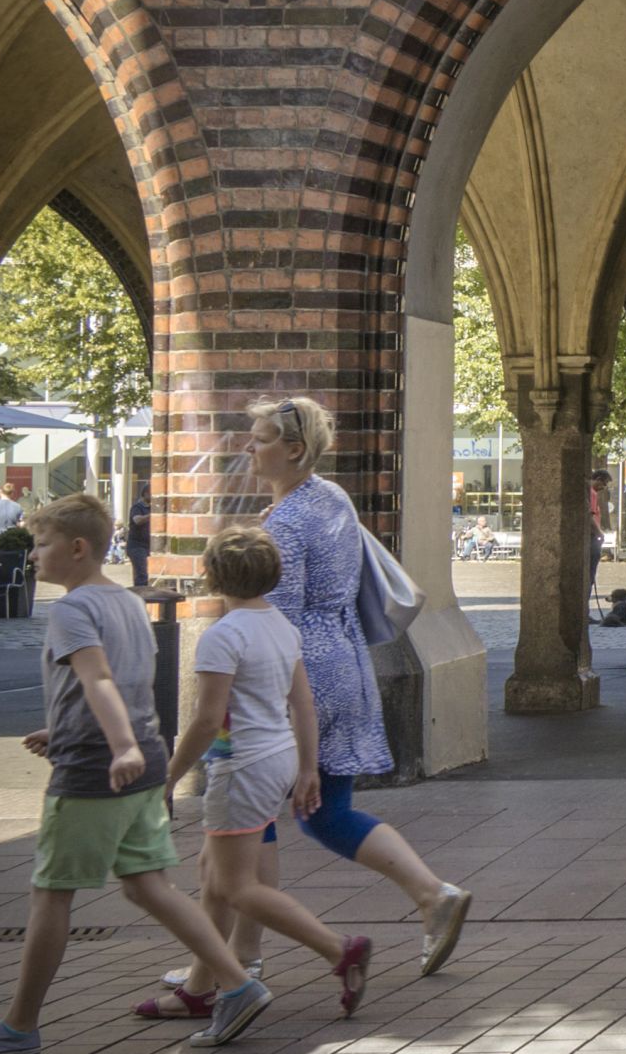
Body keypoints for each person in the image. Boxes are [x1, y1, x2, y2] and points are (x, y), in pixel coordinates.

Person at [0, 494, 267, 1054]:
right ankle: (237, 984)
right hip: (146, 759)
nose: (33, 554)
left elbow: (100, 680)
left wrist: (114, 747)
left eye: (41, 544)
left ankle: (18, 1028)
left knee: (50, 894)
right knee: (148, 886)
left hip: (97, 768)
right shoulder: (127, 602)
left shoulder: (70, 610)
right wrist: (65, 731)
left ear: (77, 548)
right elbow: (124, 686)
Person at [199, 397, 471, 985]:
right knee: (318, 813)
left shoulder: (286, 525)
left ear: (293, 449)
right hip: (346, 663)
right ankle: (244, 953)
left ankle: (242, 958)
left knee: (265, 816)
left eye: (261, 438)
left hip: (304, 677)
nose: (250, 447)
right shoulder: (331, 498)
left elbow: (275, 616)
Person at [145, 525, 374, 1024]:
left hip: (240, 765)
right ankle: (202, 984)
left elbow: (208, 720)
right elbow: (303, 703)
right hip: (278, 757)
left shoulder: (222, 636)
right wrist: (308, 767)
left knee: (234, 886)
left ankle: (340, 949)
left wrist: (168, 776)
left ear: (210, 575)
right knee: (213, 873)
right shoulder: (281, 626)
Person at [587, 468, 611, 591]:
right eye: (604, 484)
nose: (603, 487)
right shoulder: (592, 493)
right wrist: (599, 533)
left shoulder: (590, 492)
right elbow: (589, 516)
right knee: (590, 571)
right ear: (598, 479)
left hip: (592, 535)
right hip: (593, 537)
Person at [126, 492, 153, 587]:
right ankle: (140, 597)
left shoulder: (150, 508)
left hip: (147, 545)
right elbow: (137, 520)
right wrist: (152, 515)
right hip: (137, 546)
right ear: (145, 494)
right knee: (141, 575)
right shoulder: (137, 507)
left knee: (145, 573)